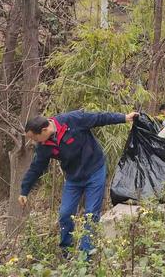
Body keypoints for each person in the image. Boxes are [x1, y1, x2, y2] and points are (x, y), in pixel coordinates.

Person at [19, 109, 138, 254]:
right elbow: (36, 168)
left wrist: (124, 117)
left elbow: (99, 118)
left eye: (35, 138)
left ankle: (86, 254)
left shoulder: (71, 120)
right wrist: (24, 190)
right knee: (65, 213)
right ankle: (66, 251)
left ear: (44, 130)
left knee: (91, 213)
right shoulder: (44, 147)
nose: (34, 142)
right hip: (73, 178)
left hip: (94, 170)